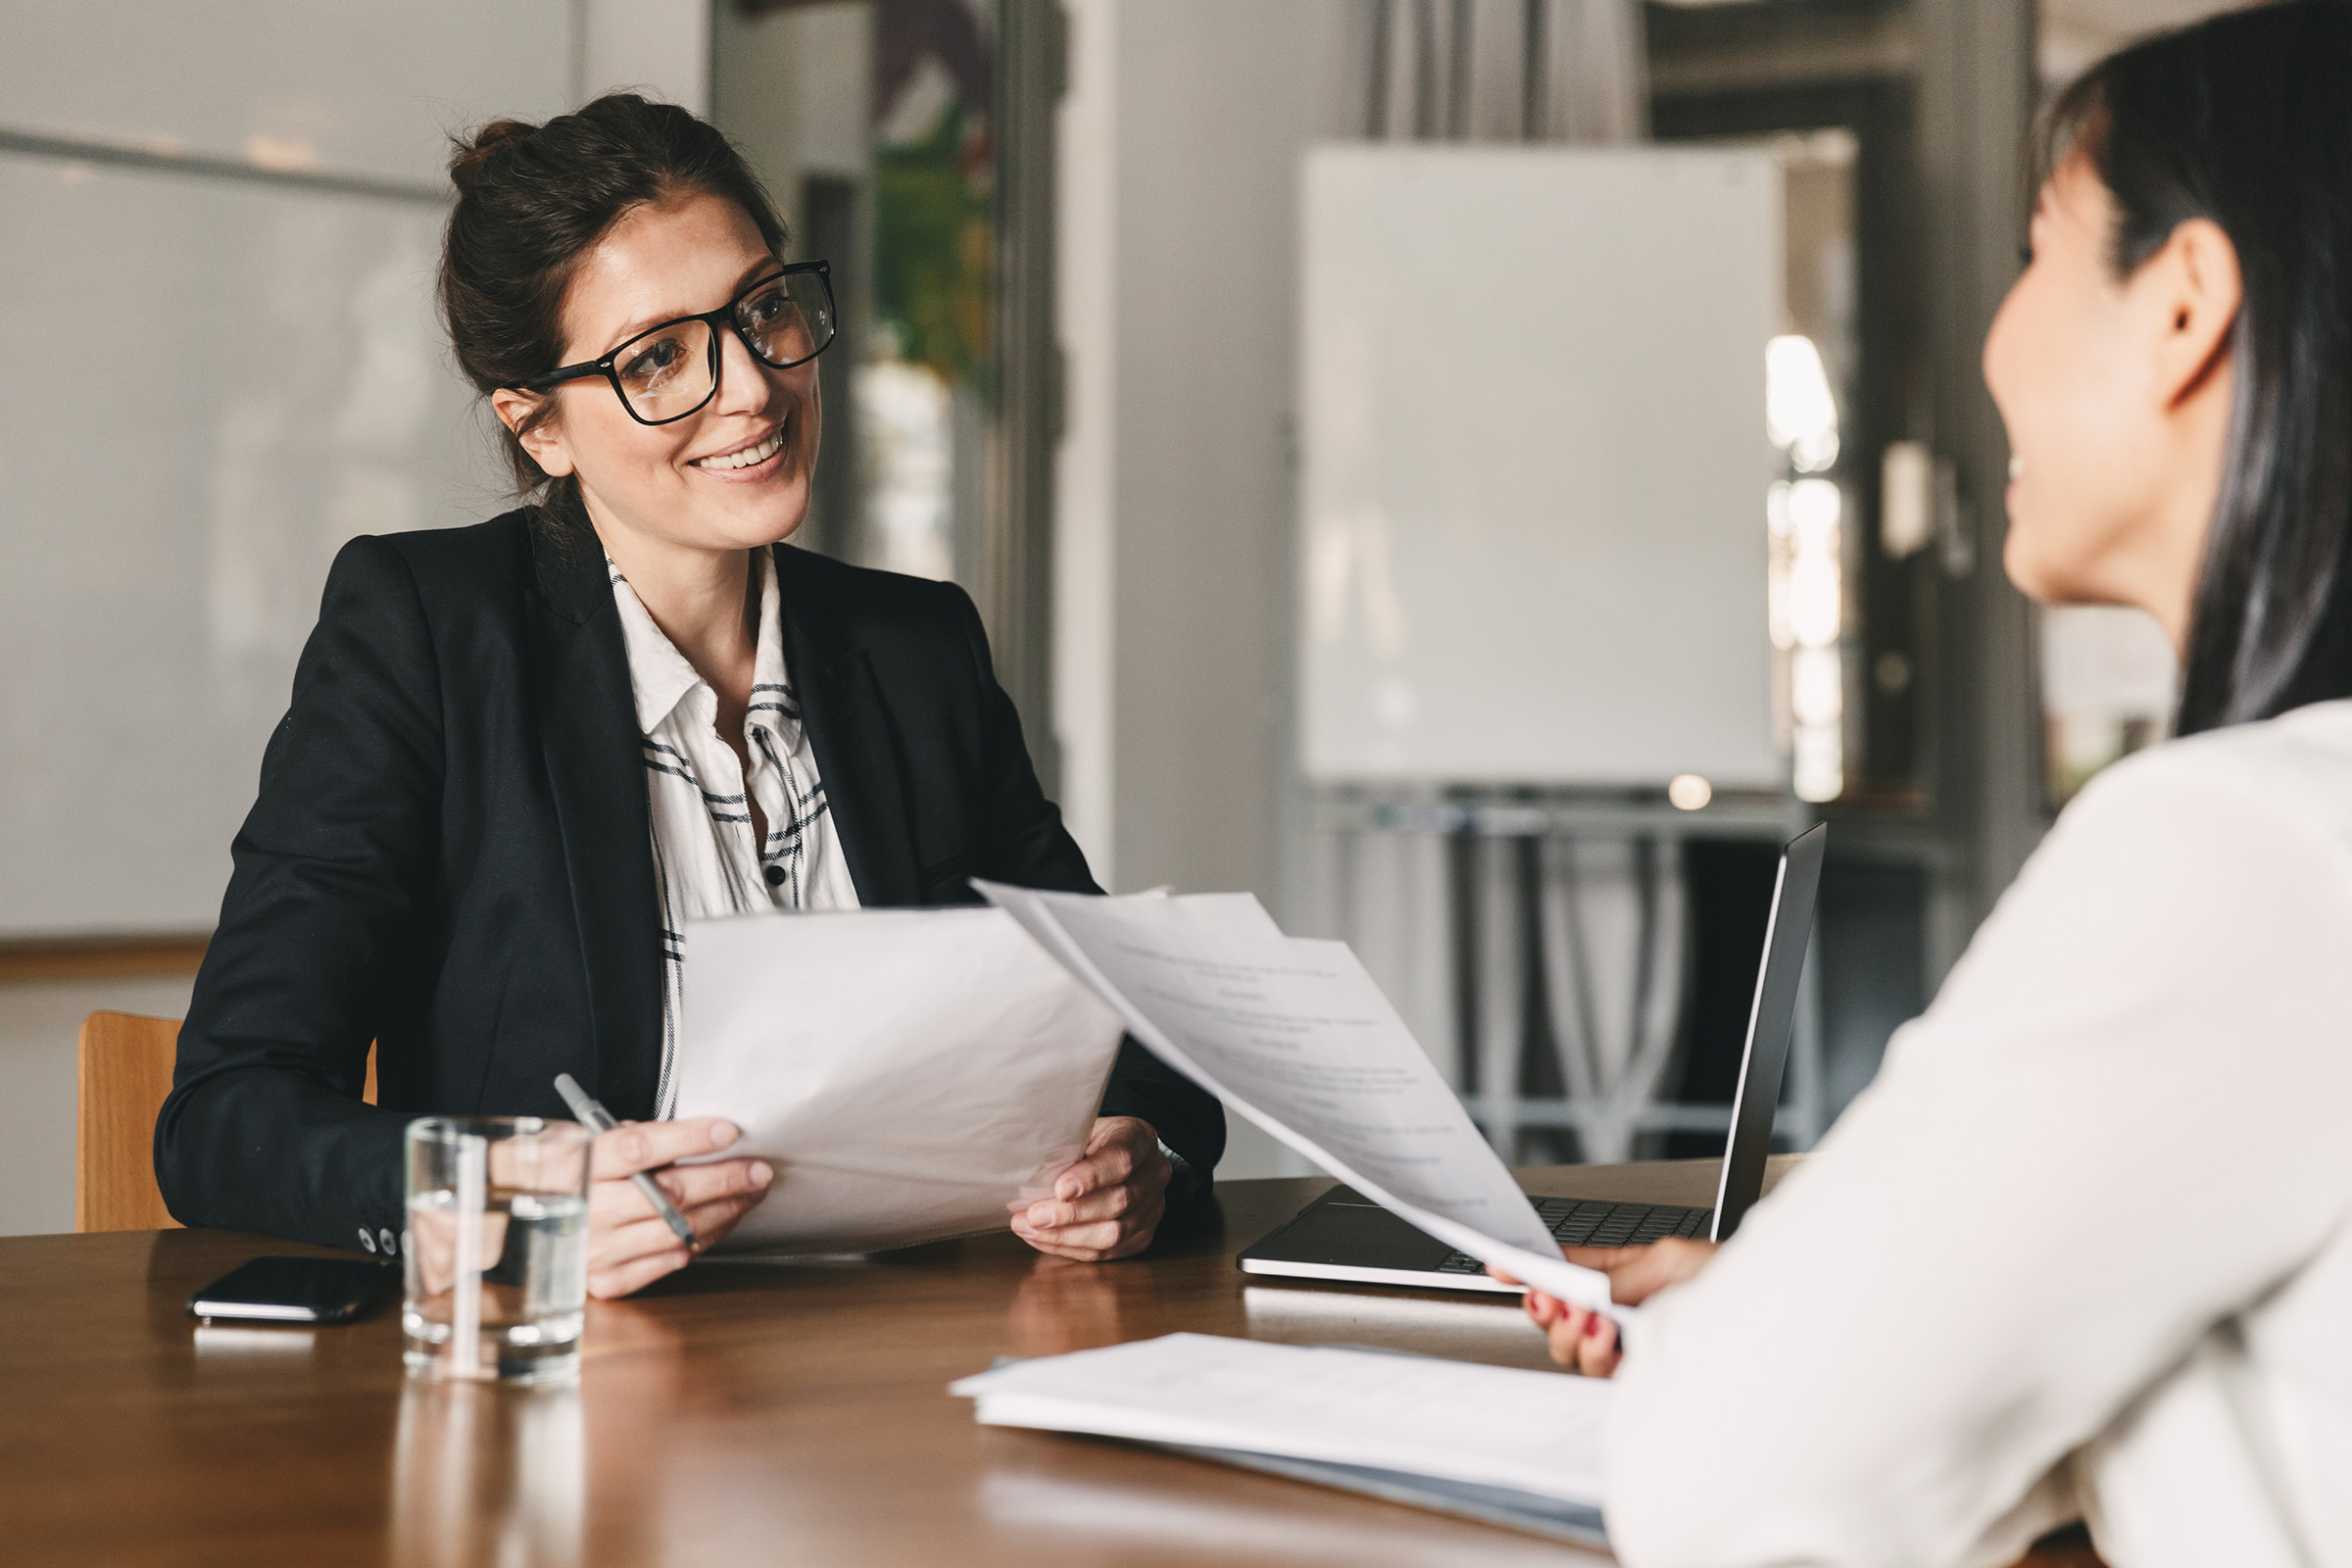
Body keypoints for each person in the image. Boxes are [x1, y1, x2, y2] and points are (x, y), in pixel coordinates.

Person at [1502, 5, 2352, 1564]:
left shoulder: (2233, 849)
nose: (1992, 336)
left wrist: (1766, 1337)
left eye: (2039, 248)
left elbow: (1727, 1485)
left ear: (2184, 306)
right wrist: (1842, 1311)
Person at [155, 95, 1222, 1299]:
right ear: (538, 425)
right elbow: (223, 1116)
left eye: (763, 310)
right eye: (657, 356)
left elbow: (1133, 1034)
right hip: (574, 1406)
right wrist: (507, 1198)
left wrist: (1139, 1151)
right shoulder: (427, 634)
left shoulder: (917, 649)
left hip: (909, 1378)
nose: (754, 389)